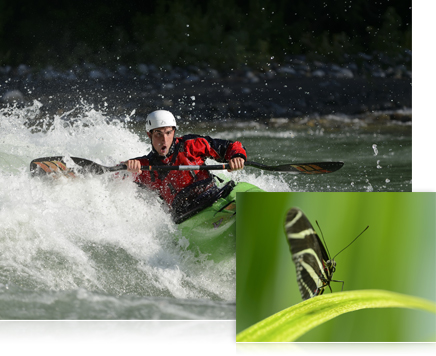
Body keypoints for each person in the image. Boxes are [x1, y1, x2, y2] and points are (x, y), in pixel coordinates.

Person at [125, 110, 246, 222]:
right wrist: (127, 167)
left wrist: (237, 157)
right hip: (188, 219)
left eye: (168, 133)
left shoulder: (191, 145)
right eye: (158, 134)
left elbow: (231, 147)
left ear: (174, 132)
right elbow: (114, 180)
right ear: (149, 135)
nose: (164, 139)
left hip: (216, 198)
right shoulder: (144, 166)